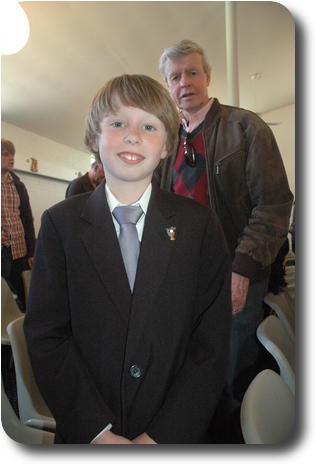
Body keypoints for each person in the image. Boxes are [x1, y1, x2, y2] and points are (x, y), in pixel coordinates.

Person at [24, 74, 232, 444]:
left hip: (174, 432)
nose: (133, 135)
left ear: (167, 145)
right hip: (90, 433)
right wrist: (97, 433)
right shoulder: (60, 225)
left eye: (149, 126)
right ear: (94, 138)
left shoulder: (199, 225)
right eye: (118, 123)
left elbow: (210, 344)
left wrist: (162, 437)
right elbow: (47, 336)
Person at [156, 39, 293, 412]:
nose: (184, 82)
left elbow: (275, 203)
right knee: (193, 358)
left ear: (208, 77)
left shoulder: (246, 127)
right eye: (174, 77)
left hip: (239, 273)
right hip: (185, 273)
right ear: (167, 86)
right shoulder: (164, 143)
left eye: (192, 72)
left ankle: (235, 431)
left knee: (235, 362)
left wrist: (243, 269)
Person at [1, 138, 36, 310]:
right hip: (2, 251)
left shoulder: (18, 185)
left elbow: (28, 219)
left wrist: (32, 251)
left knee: (24, 292)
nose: (11, 158)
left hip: (19, 249)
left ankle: (23, 326)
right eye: (6, 154)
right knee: (4, 295)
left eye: (12, 154)